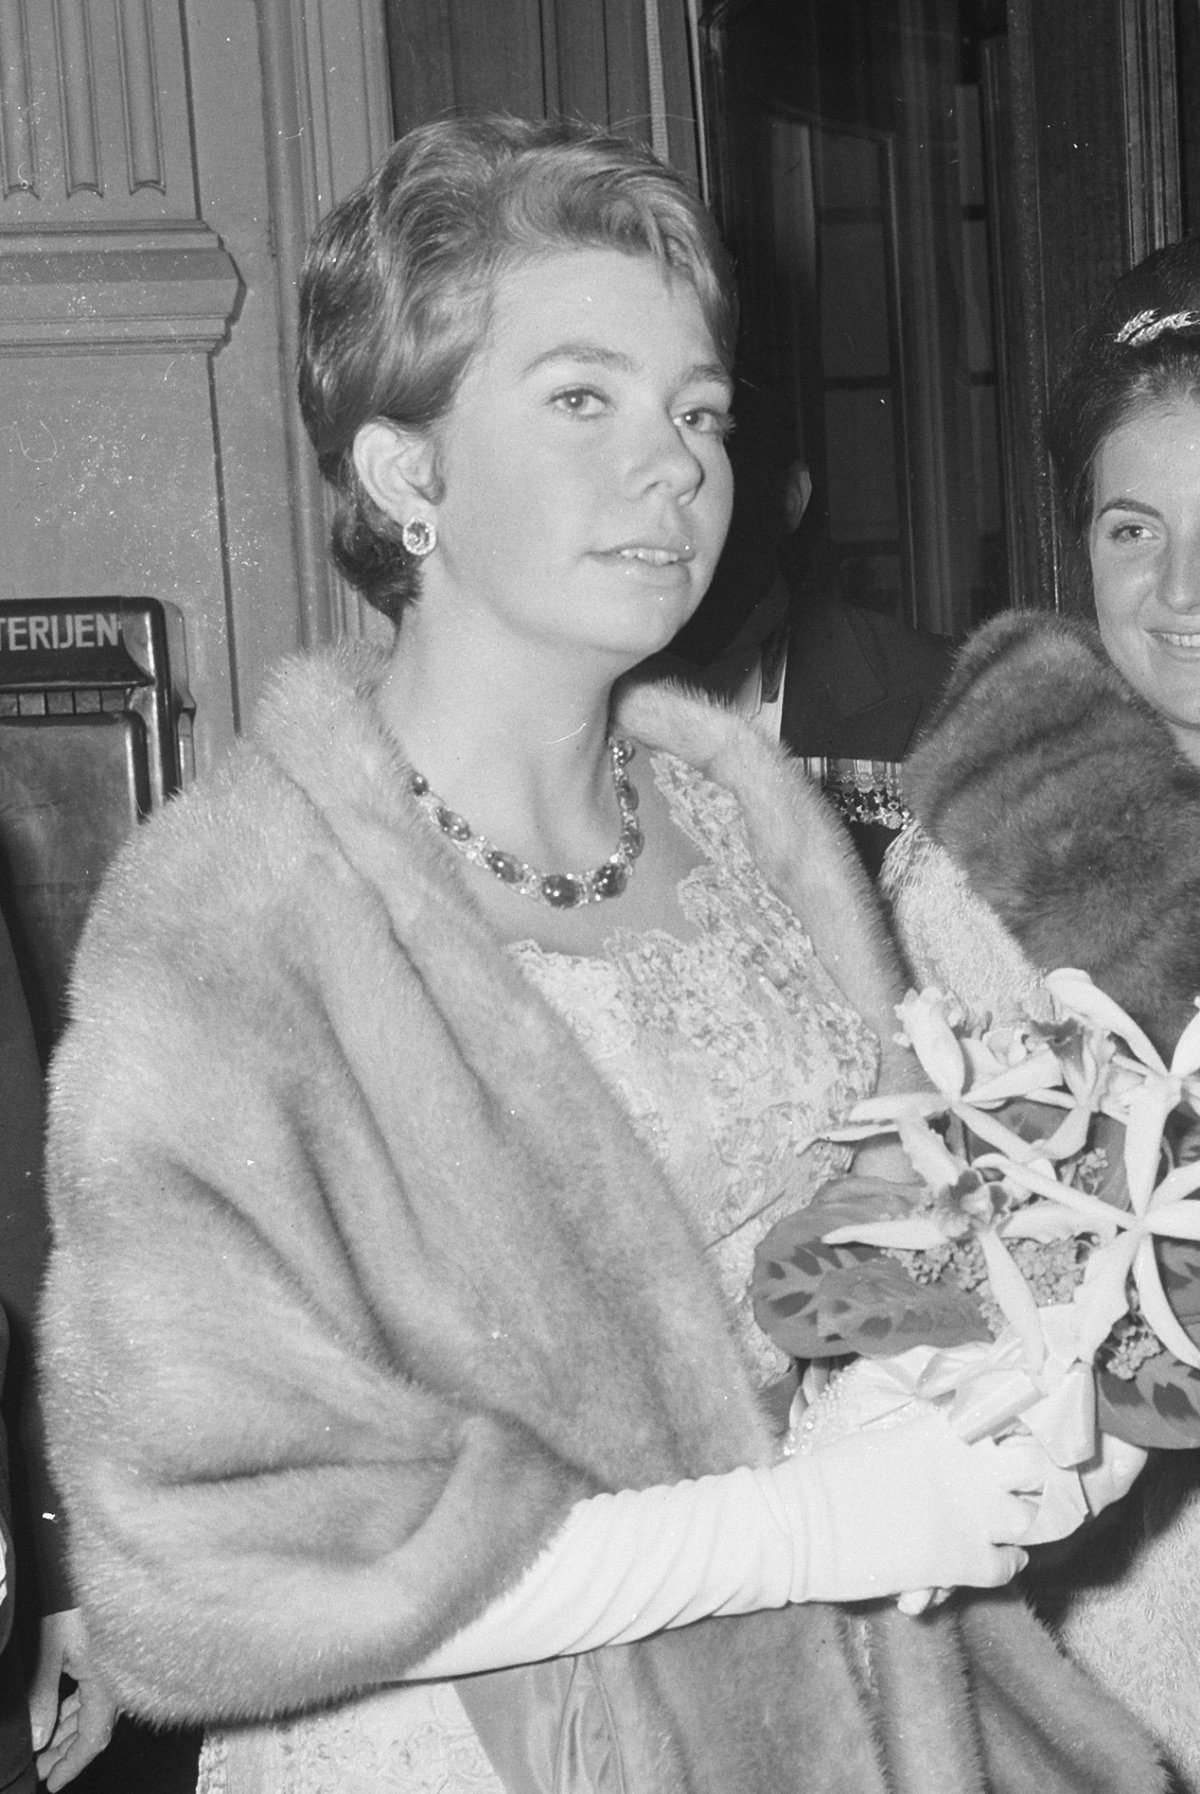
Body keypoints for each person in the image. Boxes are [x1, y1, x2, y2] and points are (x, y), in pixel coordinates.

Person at [36, 117, 1164, 1794]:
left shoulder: (747, 823)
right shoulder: (233, 924)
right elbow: (217, 1575)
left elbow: (864, 1258)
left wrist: (989, 1391)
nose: (676, 465)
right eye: (581, 398)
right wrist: (805, 1523)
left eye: (696, 411)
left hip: (829, 1719)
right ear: (404, 472)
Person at [881, 234, 1200, 1789]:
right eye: (1133, 527)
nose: (1181, 590)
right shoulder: (995, 849)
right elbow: (955, 1272)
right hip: (1131, 1602)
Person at [662, 381, 956, 875]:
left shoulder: (944, 693)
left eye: (721, 473)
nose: (678, 514)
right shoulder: (562, 702)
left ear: (791, 501)